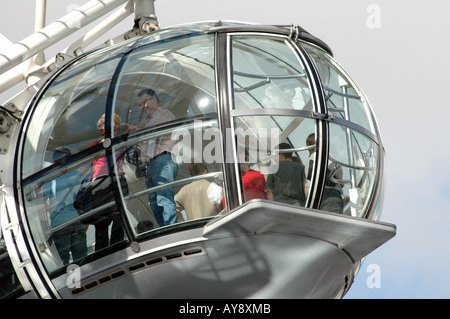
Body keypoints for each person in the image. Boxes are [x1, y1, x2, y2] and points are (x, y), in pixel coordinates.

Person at [136, 88, 179, 227]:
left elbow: (165, 134)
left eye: (144, 103)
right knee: (155, 205)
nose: (142, 108)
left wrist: (141, 133)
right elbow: (148, 146)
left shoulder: (165, 114)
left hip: (163, 160)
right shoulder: (148, 121)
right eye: (140, 105)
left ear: (154, 100)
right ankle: (165, 229)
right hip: (151, 164)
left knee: (164, 199)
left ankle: (171, 230)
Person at [89, 113, 129, 251]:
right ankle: (102, 252)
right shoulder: (95, 144)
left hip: (117, 178)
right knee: (101, 222)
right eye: (109, 122)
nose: (114, 125)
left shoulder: (120, 141)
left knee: (120, 216)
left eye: (116, 123)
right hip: (100, 182)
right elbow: (89, 161)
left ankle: (116, 249)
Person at [43, 147, 87, 265]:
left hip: (59, 224)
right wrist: (86, 220)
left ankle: (69, 282)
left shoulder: (51, 179)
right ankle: (83, 281)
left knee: (63, 262)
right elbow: (85, 198)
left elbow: (43, 203)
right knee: (82, 259)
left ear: (55, 162)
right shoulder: (78, 175)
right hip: (77, 221)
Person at [305, 133, 344, 213]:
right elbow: (336, 168)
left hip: (311, 196)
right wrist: (340, 181)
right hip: (329, 194)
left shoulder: (308, 161)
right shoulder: (324, 155)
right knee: (332, 223)